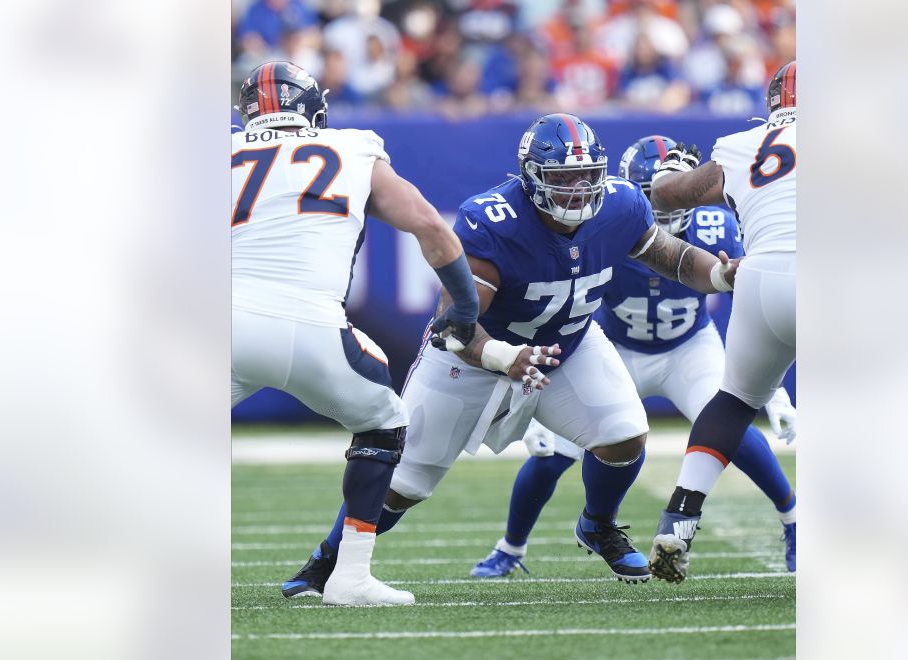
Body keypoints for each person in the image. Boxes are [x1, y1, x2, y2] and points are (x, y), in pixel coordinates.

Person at [280, 113, 740, 596]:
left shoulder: (621, 204)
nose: (580, 190)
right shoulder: (494, 220)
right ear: (532, 179)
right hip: (470, 358)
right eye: (564, 180)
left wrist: (722, 276)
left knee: (624, 437)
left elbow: (673, 256)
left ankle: (598, 524)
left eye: (589, 176)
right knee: (404, 484)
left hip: (569, 345)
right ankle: (325, 561)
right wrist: (502, 356)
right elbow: (453, 323)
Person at [470, 135, 797, 579]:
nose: (659, 209)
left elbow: (755, 306)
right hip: (618, 348)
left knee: (731, 424)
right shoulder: (609, 230)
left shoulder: (716, 228)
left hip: (689, 347)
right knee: (552, 456)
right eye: (647, 197)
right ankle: (510, 547)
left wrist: (771, 388)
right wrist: (534, 411)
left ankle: (793, 521)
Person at [231, 60, 484, 606]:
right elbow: (429, 225)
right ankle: (349, 578)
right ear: (311, 109)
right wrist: (464, 302)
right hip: (311, 326)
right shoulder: (353, 146)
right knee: (383, 421)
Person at [647, 61, 798, 583]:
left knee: (733, 401)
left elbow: (667, 194)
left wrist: (666, 169)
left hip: (756, 279)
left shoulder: (741, 145)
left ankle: (680, 515)